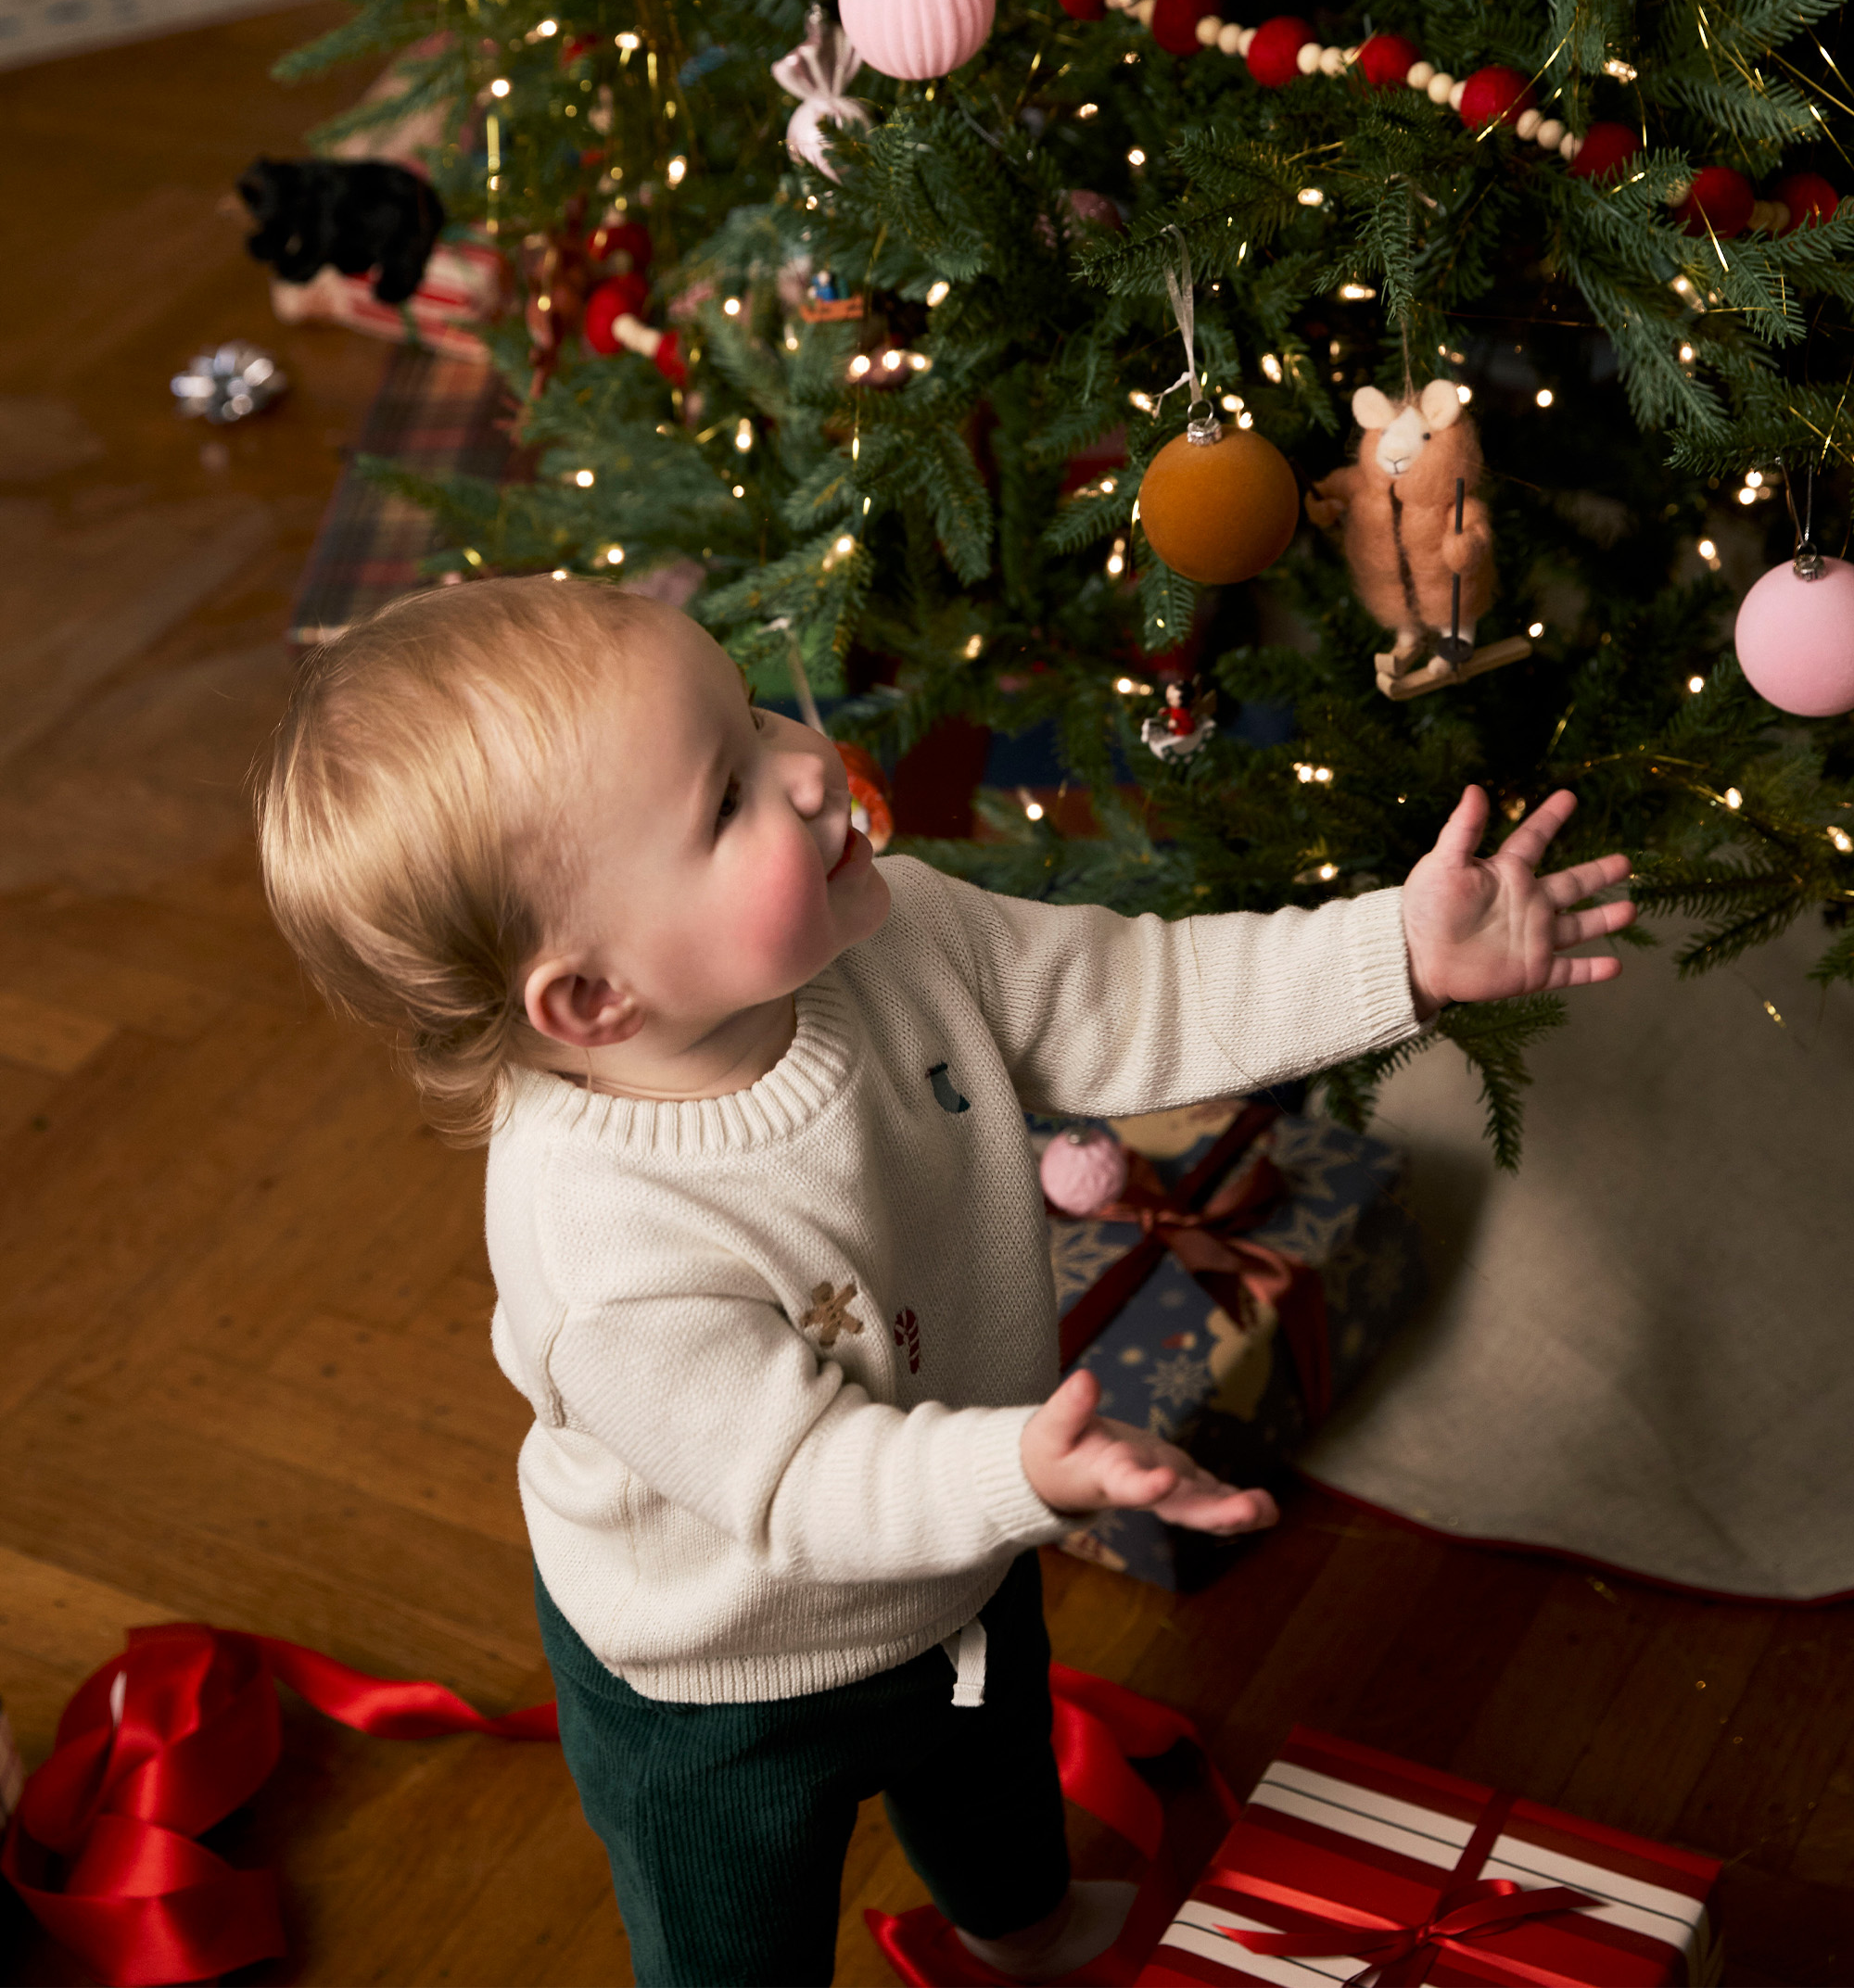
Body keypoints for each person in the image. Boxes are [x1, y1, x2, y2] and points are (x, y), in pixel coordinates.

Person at [256, 576, 1633, 1987]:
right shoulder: (604, 1242)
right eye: (727, 797)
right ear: (595, 1000)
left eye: (749, 710)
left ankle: (1020, 1923)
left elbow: (1144, 998)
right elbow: (797, 1483)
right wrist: (1022, 1473)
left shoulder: (903, 931)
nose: (806, 762)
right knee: (735, 1939)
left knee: (992, 1770)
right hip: (722, 1674)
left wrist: (1394, 951)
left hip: (965, 1551)